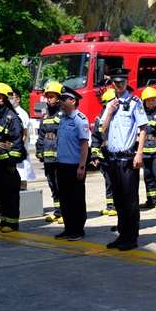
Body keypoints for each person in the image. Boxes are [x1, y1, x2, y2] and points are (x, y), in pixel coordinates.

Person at [102, 67, 148, 251]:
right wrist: (110, 112)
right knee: (118, 200)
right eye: (116, 82)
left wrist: (139, 153)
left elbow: (143, 129)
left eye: (122, 82)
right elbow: (103, 129)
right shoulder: (110, 103)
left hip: (128, 157)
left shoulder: (135, 102)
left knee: (130, 200)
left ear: (127, 82)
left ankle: (131, 237)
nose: (119, 85)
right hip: (113, 159)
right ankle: (122, 234)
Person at [0, 83, 24, 233]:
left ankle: (12, 223)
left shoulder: (13, 118)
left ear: (6, 99)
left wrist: (13, 162)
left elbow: (17, 141)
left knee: (9, 194)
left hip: (6, 162)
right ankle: (4, 220)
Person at [54, 86, 90, 241]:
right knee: (65, 199)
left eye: (64, 99)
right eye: (61, 99)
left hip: (75, 166)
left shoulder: (79, 119)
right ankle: (68, 228)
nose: (61, 102)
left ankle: (78, 229)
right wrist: (58, 165)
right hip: (62, 164)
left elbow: (84, 144)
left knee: (76, 199)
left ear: (73, 101)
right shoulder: (62, 119)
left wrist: (82, 166)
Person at [36, 82, 65, 224]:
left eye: (52, 96)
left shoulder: (63, 114)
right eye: (47, 97)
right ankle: (58, 212)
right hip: (48, 157)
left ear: (59, 98)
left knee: (62, 185)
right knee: (52, 185)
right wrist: (39, 152)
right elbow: (41, 135)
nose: (49, 99)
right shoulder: (45, 116)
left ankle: (65, 212)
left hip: (59, 158)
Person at [91, 88, 116, 217]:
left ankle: (116, 205)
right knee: (108, 182)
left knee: (116, 182)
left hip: (115, 155)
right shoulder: (99, 118)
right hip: (104, 156)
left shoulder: (118, 117)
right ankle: (110, 205)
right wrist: (94, 155)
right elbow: (95, 137)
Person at [12, 88, 36, 190]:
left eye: (12, 97)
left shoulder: (21, 114)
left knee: (21, 185)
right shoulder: (10, 112)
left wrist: (17, 151)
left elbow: (24, 135)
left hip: (19, 155)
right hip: (11, 155)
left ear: (18, 99)